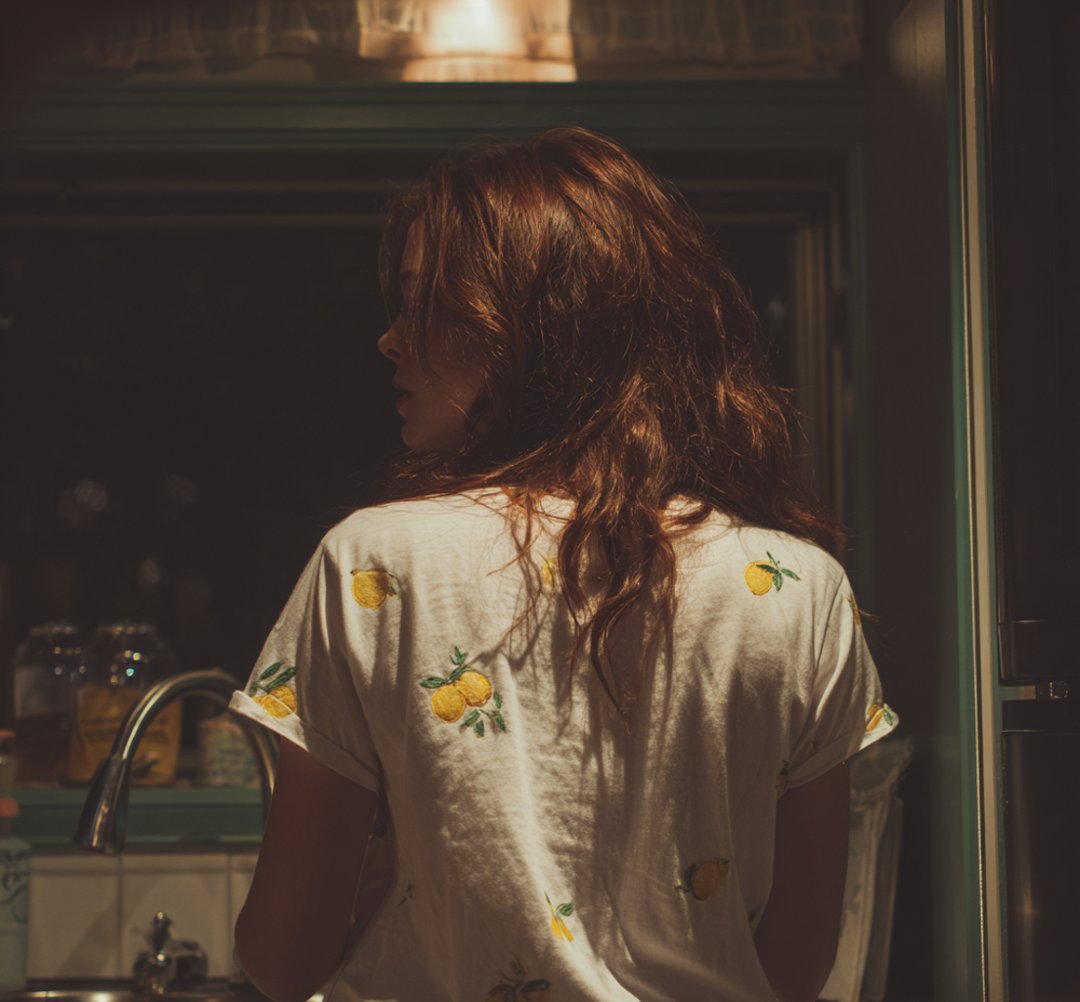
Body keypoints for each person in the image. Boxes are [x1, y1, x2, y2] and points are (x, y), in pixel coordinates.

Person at [230, 126, 899, 1002]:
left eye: (424, 303)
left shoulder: (374, 565)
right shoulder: (803, 589)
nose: (390, 340)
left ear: (540, 323)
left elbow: (285, 961)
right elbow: (798, 960)